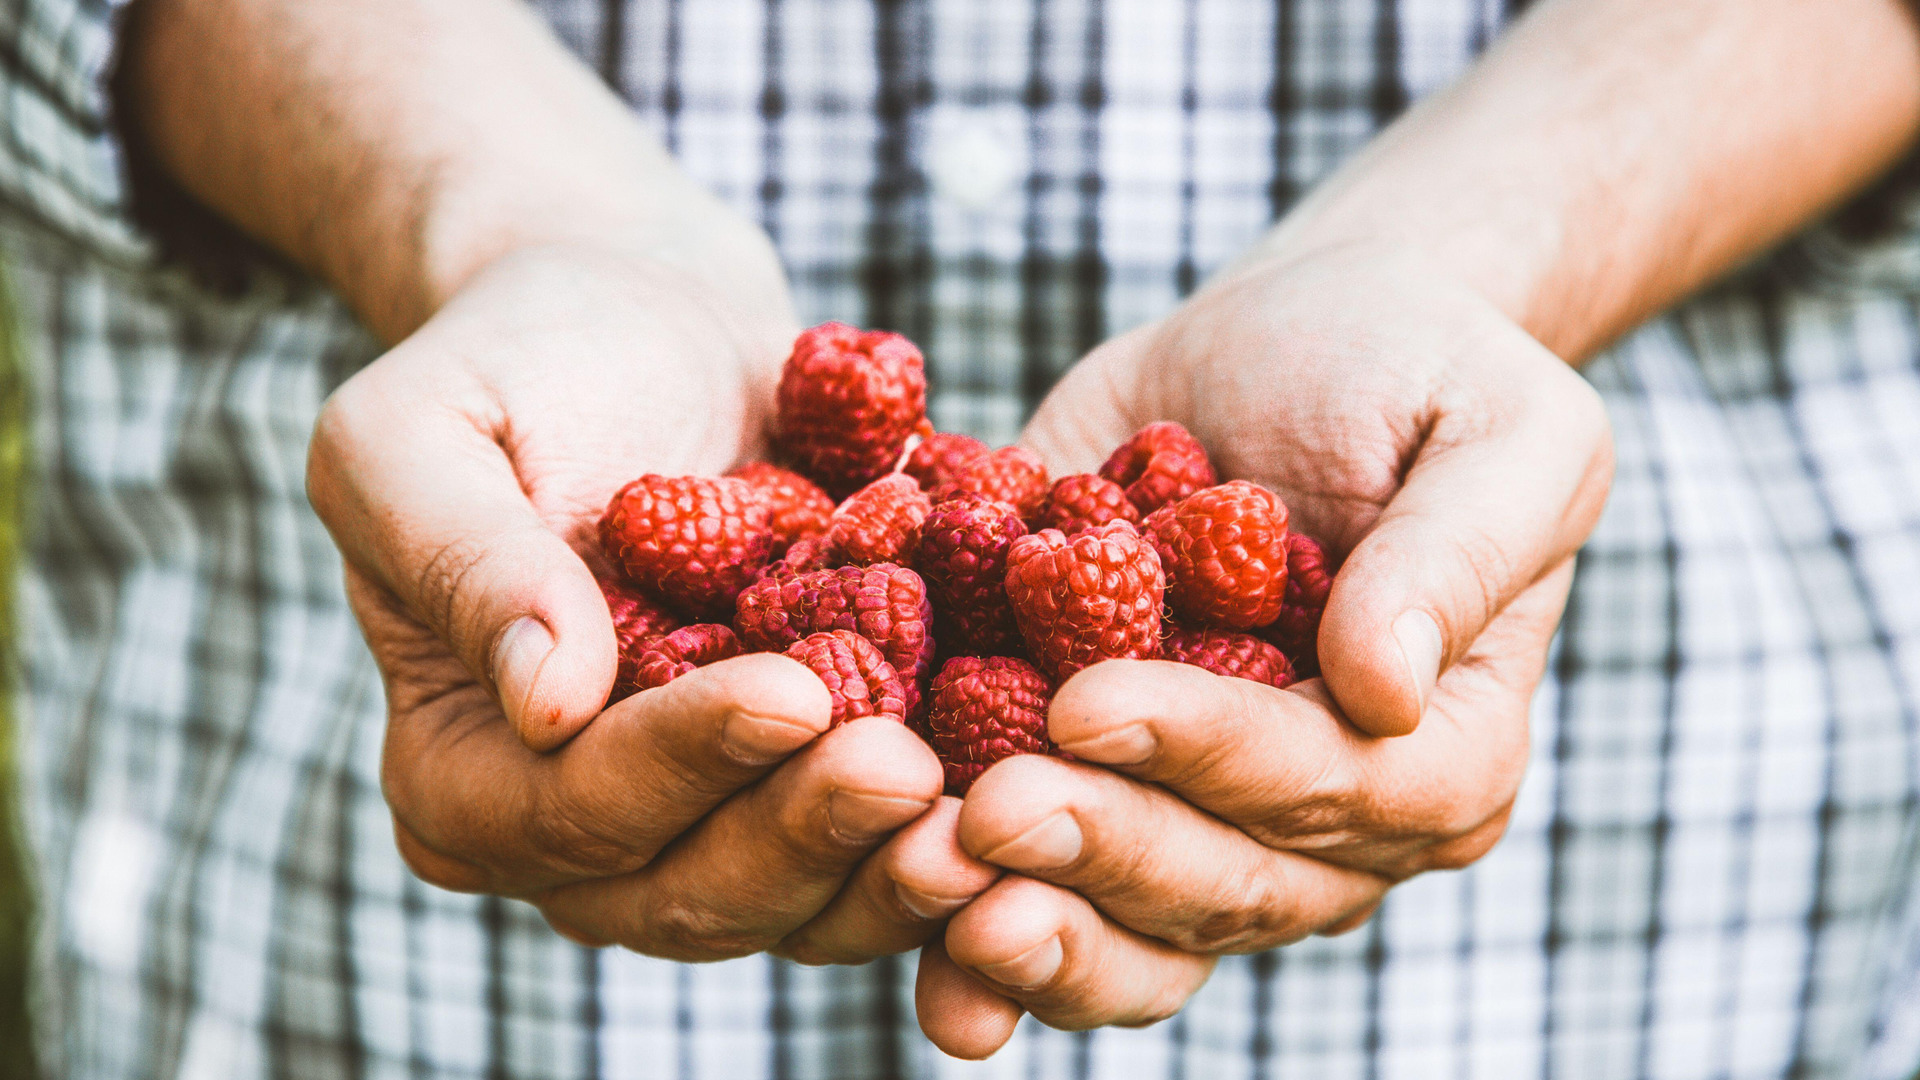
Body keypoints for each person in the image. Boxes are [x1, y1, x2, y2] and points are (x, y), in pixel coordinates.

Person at [4, 0, 1919, 1075]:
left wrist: (1460, 260)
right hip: (339, 980)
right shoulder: (891, 572)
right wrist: (501, 219)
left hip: (1634, 968)